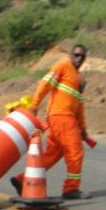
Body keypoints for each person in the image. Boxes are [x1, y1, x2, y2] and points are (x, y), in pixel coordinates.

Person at [11, 44, 92, 200]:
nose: (79, 58)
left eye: (82, 56)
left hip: (63, 118)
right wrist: (34, 105)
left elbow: (79, 106)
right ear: (70, 54)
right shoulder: (63, 65)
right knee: (76, 152)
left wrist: (82, 128)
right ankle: (71, 189)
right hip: (61, 117)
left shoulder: (78, 78)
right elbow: (45, 83)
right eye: (76, 55)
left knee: (52, 154)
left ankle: (22, 180)